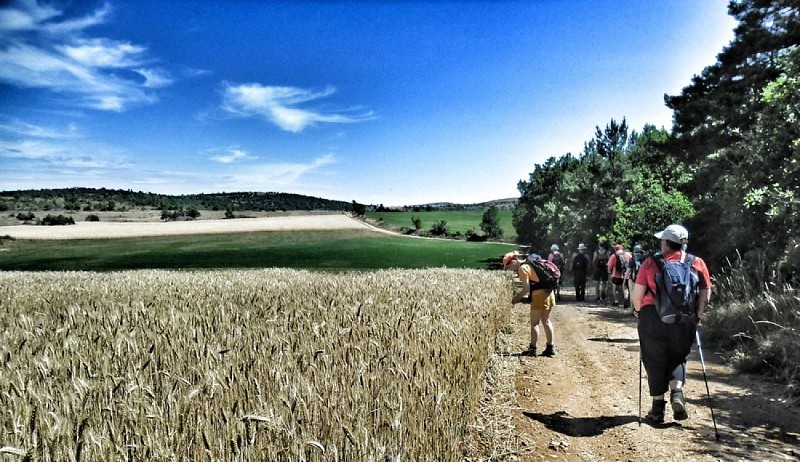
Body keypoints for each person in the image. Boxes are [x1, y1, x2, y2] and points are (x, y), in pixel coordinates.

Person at [631, 224, 712, 424]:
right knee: (678, 356)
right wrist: (697, 316)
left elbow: (637, 295)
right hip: (685, 318)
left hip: (652, 316)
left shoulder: (651, 263)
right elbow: (705, 296)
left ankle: (658, 409)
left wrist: (638, 311)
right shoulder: (697, 262)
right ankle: (676, 393)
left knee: (654, 358)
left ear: (666, 242)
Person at [504, 251, 556, 357]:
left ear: (514, 261)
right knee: (546, 320)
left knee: (534, 323)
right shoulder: (531, 263)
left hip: (539, 296)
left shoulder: (522, 269)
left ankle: (532, 349)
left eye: (508, 266)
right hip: (549, 293)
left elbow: (526, 289)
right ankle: (550, 347)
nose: (509, 269)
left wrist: (515, 299)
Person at [624, 244, 646, 309]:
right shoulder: (644, 258)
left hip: (633, 279)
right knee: (642, 294)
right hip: (642, 279)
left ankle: (632, 309)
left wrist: (625, 280)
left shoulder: (632, 259)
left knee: (632, 294)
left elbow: (628, 271)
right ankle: (640, 309)